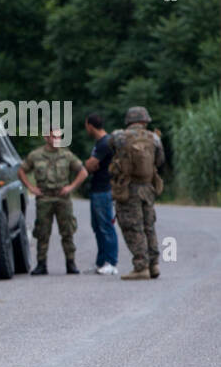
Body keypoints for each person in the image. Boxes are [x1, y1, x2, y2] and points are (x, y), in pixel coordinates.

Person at [18, 127, 87, 275]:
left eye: (59, 137)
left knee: (67, 231)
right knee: (42, 232)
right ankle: (41, 264)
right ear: (46, 138)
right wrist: (31, 187)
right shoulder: (36, 155)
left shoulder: (67, 155)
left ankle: (71, 263)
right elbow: (21, 170)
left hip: (63, 198)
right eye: (53, 137)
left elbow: (83, 172)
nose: (57, 140)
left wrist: (71, 187)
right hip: (44, 198)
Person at [109, 106, 166, 281]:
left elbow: (111, 148)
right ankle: (153, 264)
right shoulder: (154, 138)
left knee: (133, 227)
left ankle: (141, 267)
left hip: (128, 187)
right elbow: (160, 160)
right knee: (149, 226)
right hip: (148, 188)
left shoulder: (119, 136)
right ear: (145, 120)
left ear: (129, 120)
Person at [82, 112, 119, 275]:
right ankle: (101, 262)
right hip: (97, 189)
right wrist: (90, 164)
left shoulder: (105, 143)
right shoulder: (99, 143)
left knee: (105, 226)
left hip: (104, 189)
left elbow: (90, 165)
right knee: (97, 226)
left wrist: (89, 164)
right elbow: (91, 165)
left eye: (86, 126)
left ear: (90, 125)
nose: (86, 129)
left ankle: (111, 262)